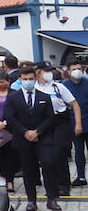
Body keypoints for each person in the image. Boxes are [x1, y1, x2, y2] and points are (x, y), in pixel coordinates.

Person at [7, 63, 61, 211]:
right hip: (23, 137)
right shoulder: (13, 97)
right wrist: (26, 132)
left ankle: (52, 199)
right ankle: (31, 200)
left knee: (48, 164)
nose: (28, 81)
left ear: (36, 78)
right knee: (28, 169)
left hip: (42, 136)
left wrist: (37, 131)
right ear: (20, 79)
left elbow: (50, 118)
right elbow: (11, 118)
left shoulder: (44, 96)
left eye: (31, 78)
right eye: (25, 79)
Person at [35, 60, 80, 198]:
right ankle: (50, 183)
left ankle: (63, 184)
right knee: (46, 155)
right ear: (39, 73)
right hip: (43, 123)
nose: (49, 74)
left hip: (60, 121)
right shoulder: (34, 88)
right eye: (46, 71)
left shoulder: (58, 87)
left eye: (50, 71)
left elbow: (74, 104)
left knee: (59, 151)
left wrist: (78, 123)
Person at [64, 61, 88, 187]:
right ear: (68, 71)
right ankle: (81, 176)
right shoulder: (64, 85)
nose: (77, 71)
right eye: (74, 69)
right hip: (73, 124)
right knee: (78, 152)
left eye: (79, 68)